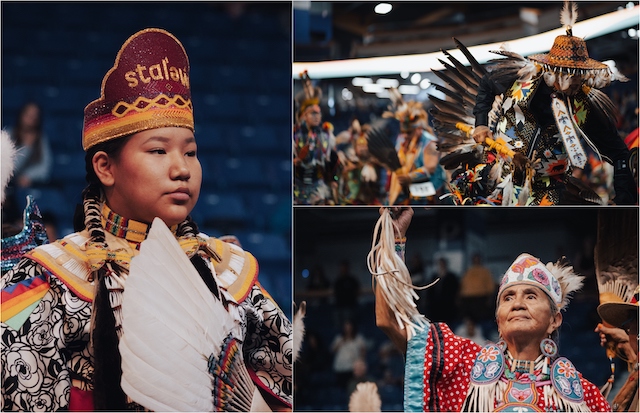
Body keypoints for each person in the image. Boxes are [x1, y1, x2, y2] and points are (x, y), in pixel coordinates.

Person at [0, 28, 292, 411]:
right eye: (158, 151)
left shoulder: (231, 274)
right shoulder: (51, 281)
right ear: (105, 167)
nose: (181, 168)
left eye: (190, 152)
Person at [371, 207, 610, 412]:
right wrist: (393, 239)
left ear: (554, 320)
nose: (517, 303)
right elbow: (389, 321)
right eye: (507, 297)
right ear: (498, 320)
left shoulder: (581, 396)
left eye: (531, 295)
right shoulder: (464, 366)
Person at [431, 2, 636, 205]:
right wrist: (481, 122)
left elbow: (619, 154)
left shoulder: (585, 106)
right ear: (553, 70)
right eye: (570, 73)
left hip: (548, 191)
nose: (576, 80)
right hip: (497, 177)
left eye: (580, 74)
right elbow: (486, 83)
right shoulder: (521, 79)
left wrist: (624, 200)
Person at [383, 90, 445, 205]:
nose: (405, 135)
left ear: (418, 129)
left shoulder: (430, 142)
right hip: (407, 193)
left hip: (427, 196)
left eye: (409, 132)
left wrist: (409, 177)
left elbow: (430, 168)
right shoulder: (401, 139)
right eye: (403, 131)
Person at [293, 70, 338, 205]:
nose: (316, 116)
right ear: (304, 116)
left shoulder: (326, 135)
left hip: (318, 186)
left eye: (318, 113)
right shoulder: (295, 135)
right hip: (297, 185)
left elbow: (331, 160)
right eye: (312, 113)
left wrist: (332, 180)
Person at [459, 253, 495, 324]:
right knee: (469, 320)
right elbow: (462, 285)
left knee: (481, 320)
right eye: (474, 259)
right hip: (468, 299)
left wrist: (489, 299)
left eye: (477, 259)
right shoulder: (468, 271)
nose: (476, 261)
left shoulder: (485, 271)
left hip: (480, 299)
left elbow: (490, 287)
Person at [331, 319, 367, 390]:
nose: (347, 329)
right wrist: (341, 342)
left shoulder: (358, 338)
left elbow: (363, 351)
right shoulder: (339, 338)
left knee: (352, 387)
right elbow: (332, 350)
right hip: (340, 368)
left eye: (349, 327)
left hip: (352, 368)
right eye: (346, 327)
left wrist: (361, 363)